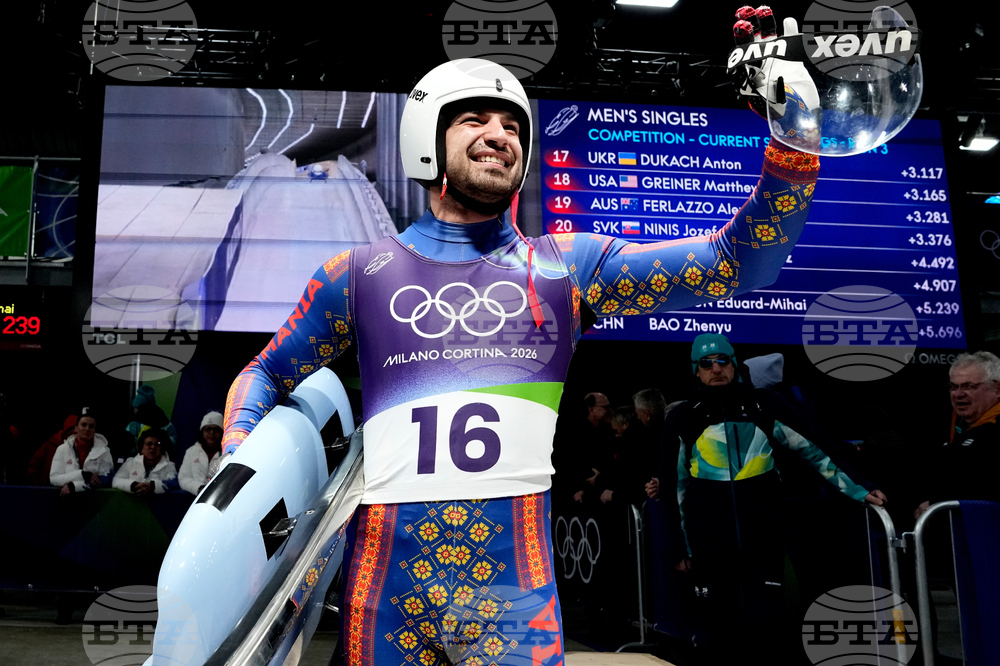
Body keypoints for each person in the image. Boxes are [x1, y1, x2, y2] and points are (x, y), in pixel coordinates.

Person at [221, 44, 825, 664]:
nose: (500, 134)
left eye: (513, 125)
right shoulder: (355, 277)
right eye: (475, 119)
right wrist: (238, 465)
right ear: (426, 138)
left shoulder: (567, 269)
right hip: (383, 597)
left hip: (514, 603)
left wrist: (795, 138)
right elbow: (264, 372)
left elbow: (738, 263)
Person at [665, 333, 886, 664]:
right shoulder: (683, 417)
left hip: (762, 539)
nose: (716, 369)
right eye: (706, 363)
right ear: (695, 370)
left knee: (766, 625)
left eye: (723, 360)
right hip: (709, 544)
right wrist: (680, 548)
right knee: (718, 629)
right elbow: (675, 486)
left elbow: (814, 446)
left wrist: (858, 486)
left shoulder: (763, 404)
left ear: (735, 364)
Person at [914, 351, 1000, 518]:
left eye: (970, 386)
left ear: (997, 389)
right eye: (954, 386)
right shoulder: (947, 426)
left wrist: (935, 503)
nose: (958, 394)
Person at [49, 407, 114, 495]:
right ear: (76, 428)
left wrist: (75, 486)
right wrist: (82, 475)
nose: (87, 429)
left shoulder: (104, 451)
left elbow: (107, 479)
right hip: (66, 499)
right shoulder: (62, 449)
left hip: (95, 502)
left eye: (91, 426)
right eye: (84, 425)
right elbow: (54, 478)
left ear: (95, 430)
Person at [112, 428, 178, 495]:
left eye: (157, 444)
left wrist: (152, 486)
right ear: (141, 447)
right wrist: (135, 486)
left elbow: (174, 483)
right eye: (149, 444)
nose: (153, 447)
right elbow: (116, 481)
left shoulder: (169, 465)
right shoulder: (130, 462)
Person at [178, 411, 223, 495]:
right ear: (202, 431)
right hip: (194, 497)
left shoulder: (227, 453)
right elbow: (183, 478)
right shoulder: (191, 452)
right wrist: (199, 488)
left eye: (216, 429)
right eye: (208, 429)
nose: (212, 433)